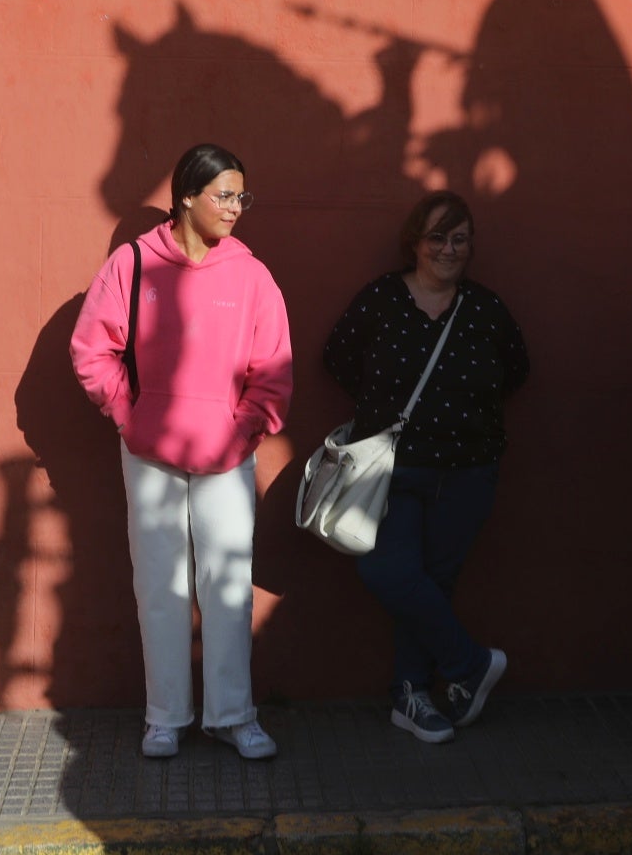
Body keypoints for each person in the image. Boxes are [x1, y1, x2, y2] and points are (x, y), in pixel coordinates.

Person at [70, 144, 293, 760]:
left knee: (229, 586)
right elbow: (92, 349)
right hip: (150, 455)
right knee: (159, 586)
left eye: (241, 196)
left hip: (228, 455)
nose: (235, 207)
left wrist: (242, 433)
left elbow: (273, 368)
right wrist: (129, 415)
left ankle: (233, 716)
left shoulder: (251, 275)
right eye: (223, 195)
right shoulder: (133, 263)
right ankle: (164, 718)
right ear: (186, 196)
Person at [322, 191, 530, 744]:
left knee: (434, 586)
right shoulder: (382, 299)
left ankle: (411, 696)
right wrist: (384, 413)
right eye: (437, 237)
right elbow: (338, 356)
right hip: (389, 472)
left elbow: (516, 370)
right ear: (414, 242)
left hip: (467, 471)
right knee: (387, 572)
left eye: (460, 239)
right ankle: (470, 665)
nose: (448, 249)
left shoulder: (485, 309)